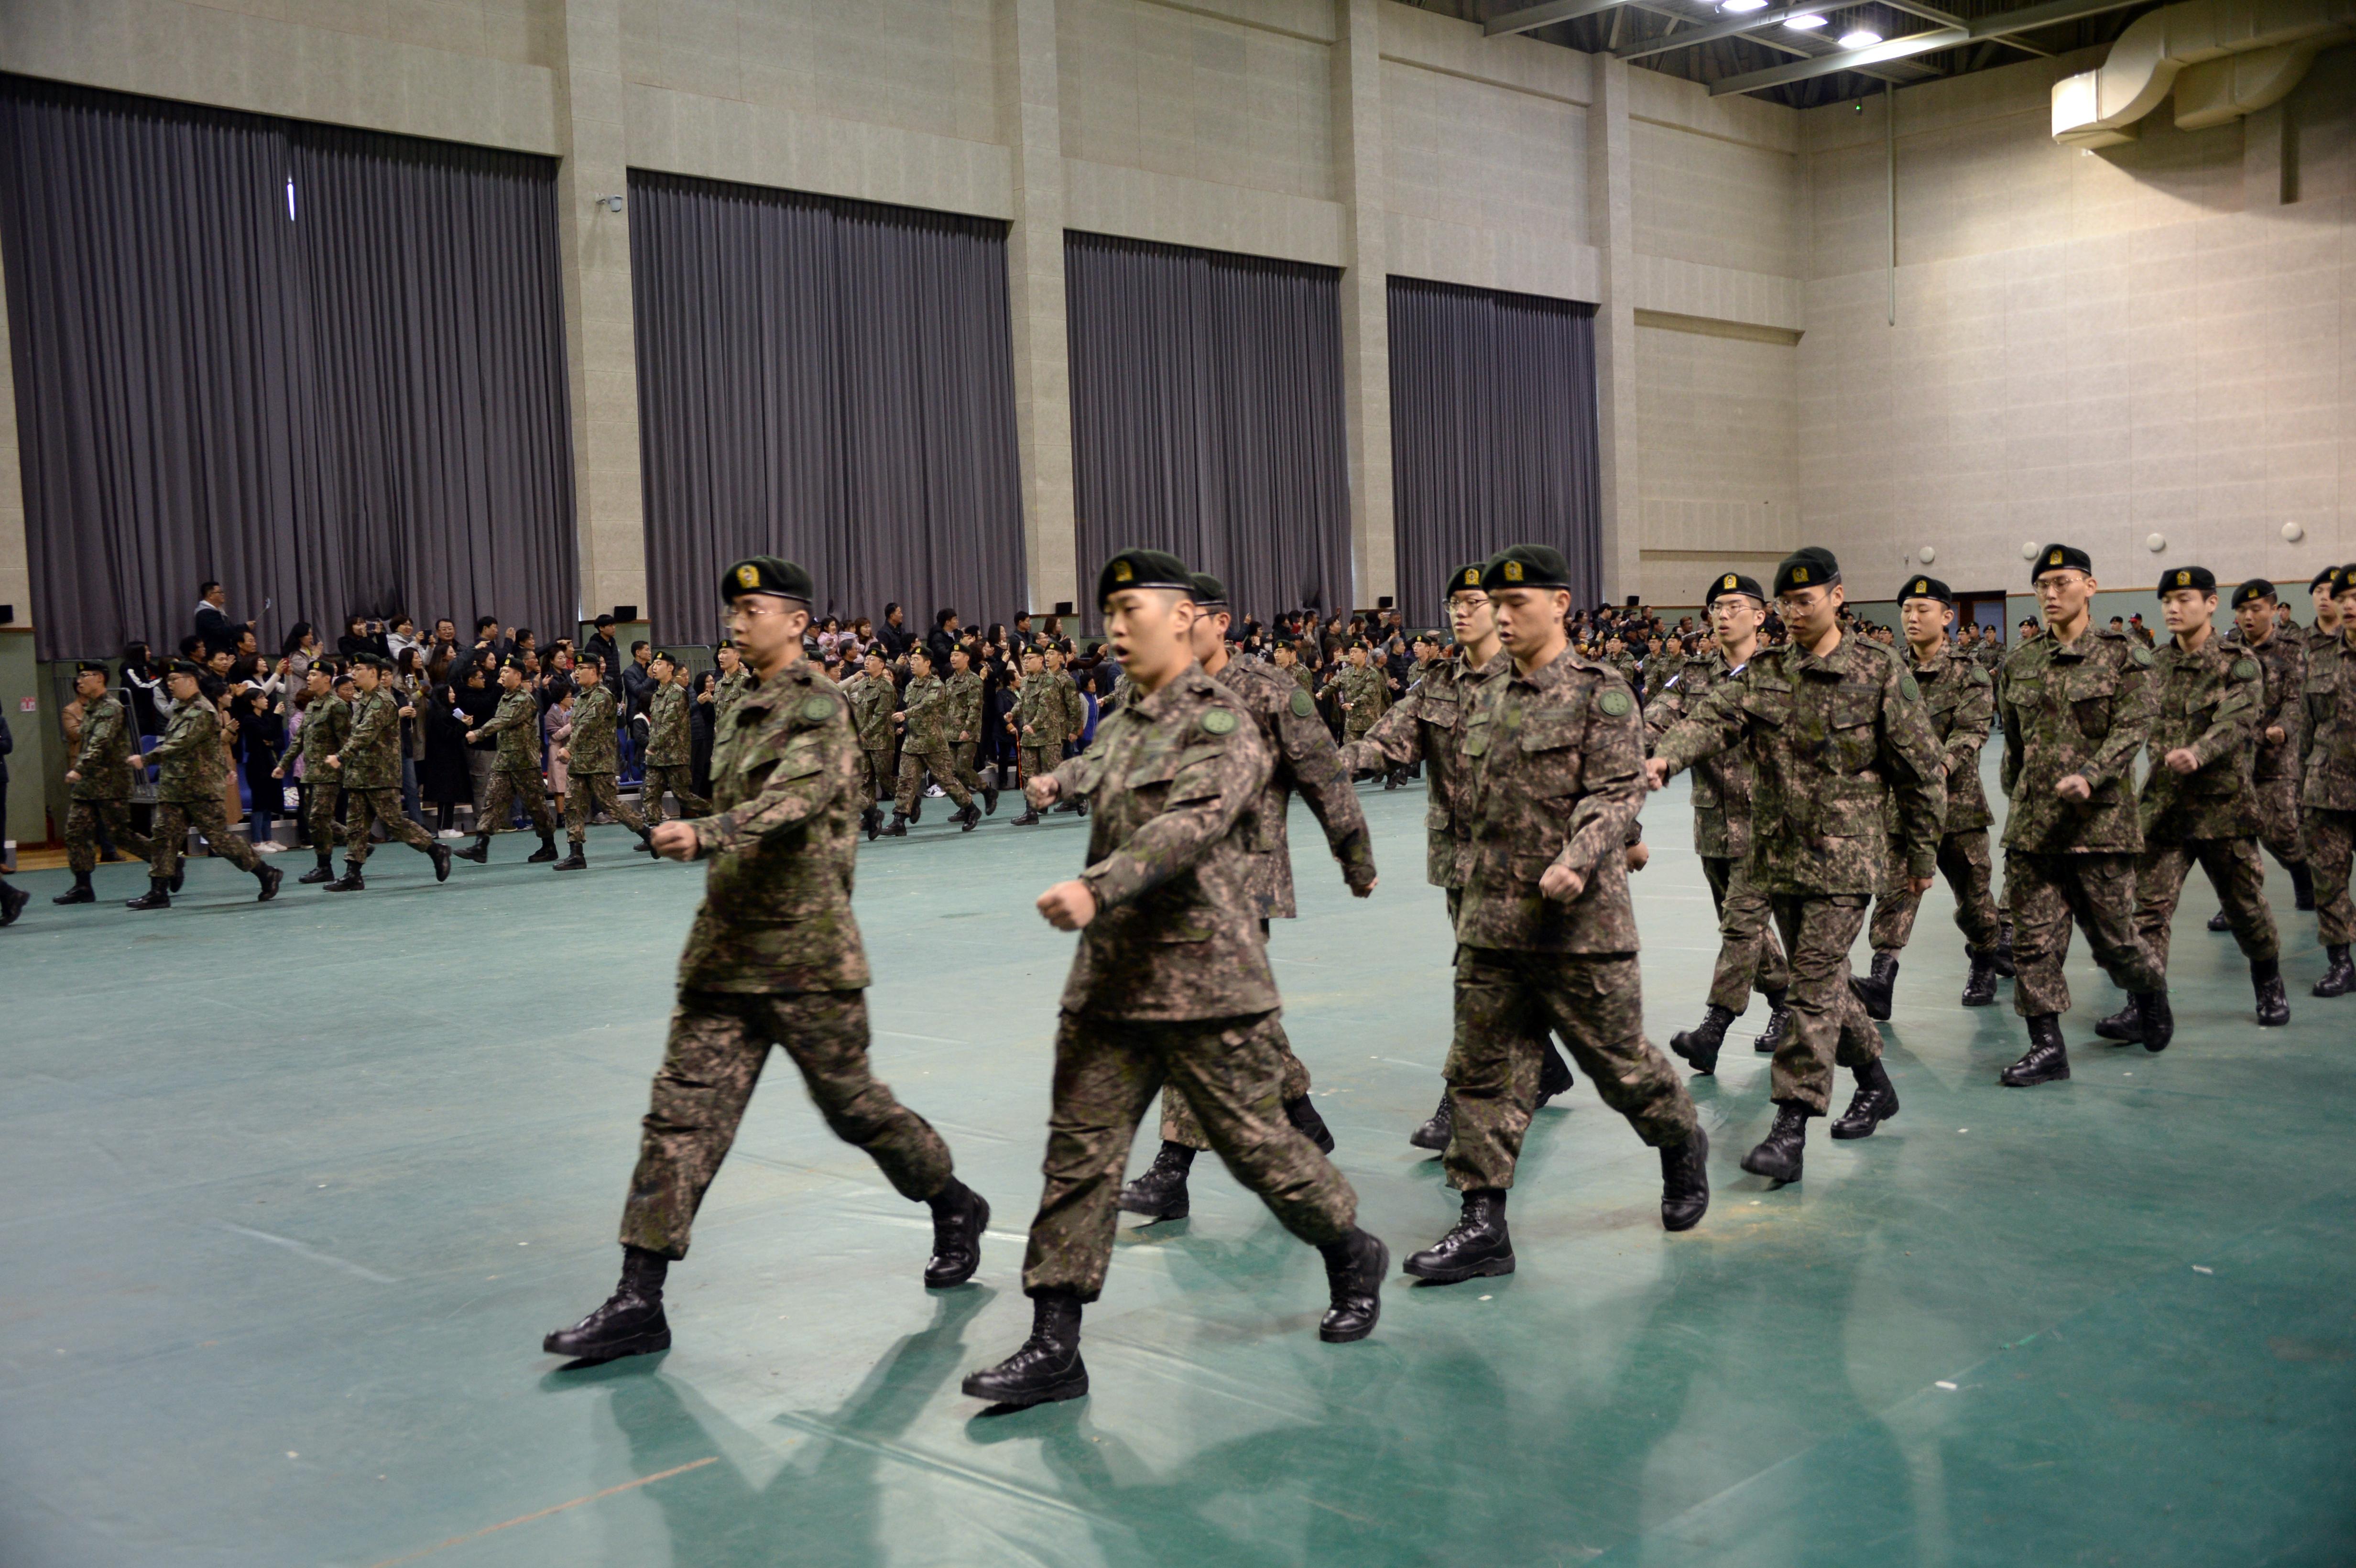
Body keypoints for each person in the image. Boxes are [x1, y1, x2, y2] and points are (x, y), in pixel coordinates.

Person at [962, 549, 1386, 1412]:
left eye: (1133, 610)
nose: (1115, 627)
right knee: (1077, 1158)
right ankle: (1053, 1342)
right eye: (1108, 613)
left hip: (1204, 982)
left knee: (1259, 1150)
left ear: (1185, 618)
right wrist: (1056, 780)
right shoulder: (1124, 716)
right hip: (1110, 980)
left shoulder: (1225, 722)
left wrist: (1096, 885)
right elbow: (1103, 769)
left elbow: (1193, 823)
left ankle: (1348, 1248)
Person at [543, 556, 989, 1365]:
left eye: (755, 609)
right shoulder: (740, 701)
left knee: (854, 1109)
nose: (737, 621)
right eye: (733, 611)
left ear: (798, 621)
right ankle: (639, 1296)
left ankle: (953, 1201)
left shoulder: (818, 703)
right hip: (726, 950)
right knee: (679, 1117)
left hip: (804, 953)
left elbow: (798, 800)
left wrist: (704, 832)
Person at [1402, 546, 1708, 1285]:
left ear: (1561, 604)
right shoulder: (1476, 693)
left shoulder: (1599, 693)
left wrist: (1579, 856)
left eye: (1517, 605)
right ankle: (1483, 1225)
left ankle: (1680, 1143)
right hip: (1491, 922)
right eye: (1494, 607)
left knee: (1621, 1068)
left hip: (1580, 928)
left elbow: (1616, 791)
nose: (1502, 618)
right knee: (1483, 1076)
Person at [1648, 546, 1944, 1179]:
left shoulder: (1878, 669)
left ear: (1839, 596)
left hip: (1846, 860)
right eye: (1786, 602)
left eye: (1805, 600)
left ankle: (1789, 1128)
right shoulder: (1767, 671)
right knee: (1829, 983)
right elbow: (1713, 718)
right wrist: (1664, 759)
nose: (1795, 612)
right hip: (1775, 856)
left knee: (1810, 987)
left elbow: (1922, 769)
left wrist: (1921, 851)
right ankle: (1874, 1081)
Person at [1116, 572, 1377, 1221]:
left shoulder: (1267, 692)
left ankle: (1172, 1170)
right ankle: (1301, 1119)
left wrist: (1355, 853)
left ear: (1220, 622)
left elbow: (1323, 775)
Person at [1337, 566, 1576, 1150]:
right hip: (1457, 861)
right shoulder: (1437, 685)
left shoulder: (1532, 680)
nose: (1460, 612)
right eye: (1453, 603)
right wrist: (1316, 761)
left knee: (1478, 979)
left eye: (1473, 601)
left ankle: (1458, 1100)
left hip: (1521, 862)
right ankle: (1544, 1066)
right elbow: (1382, 743)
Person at [1988, 544, 2170, 1086]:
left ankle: (2148, 997)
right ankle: (2047, 1046)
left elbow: (2131, 730)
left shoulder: (2124, 655)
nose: (2049, 594)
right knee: (2032, 942)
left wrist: (2089, 776)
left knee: (2115, 939)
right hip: (2033, 829)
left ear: (2089, 586)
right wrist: (2020, 793)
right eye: (2040, 585)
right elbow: (2015, 749)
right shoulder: (2018, 661)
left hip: (2101, 827)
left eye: (2061, 583)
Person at [2108, 567, 2287, 1030]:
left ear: (2210, 603)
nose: (2172, 607)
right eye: (2166, 599)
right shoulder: (2153, 663)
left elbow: (2237, 720)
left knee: (2244, 906)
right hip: (2164, 810)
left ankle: (2267, 982)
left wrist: (2198, 751)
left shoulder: (2238, 662)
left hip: (2222, 808)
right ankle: (2143, 1005)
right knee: (2147, 911)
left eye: (2183, 598)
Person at [1648, 573, 1795, 1072]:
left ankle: (1714, 1028)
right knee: (1745, 931)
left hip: (1768, 823)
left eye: (1734, 605)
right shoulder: (1690, 676)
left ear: (1760, 615)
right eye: (1715, 606)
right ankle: (1786, 1006)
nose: (1723, 614)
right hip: (1714, 823)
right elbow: (1656, 720)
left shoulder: (1781, 672)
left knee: (1741, 927)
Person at [1851, 576, 2009, 1014]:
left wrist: (1938, 766)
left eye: (1923, 609)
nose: (1913, 617)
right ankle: (1882, 981)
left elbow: (1973, 730)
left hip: (1957, 809)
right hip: (1902, 810)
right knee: (1893, 895)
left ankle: (1984, 961)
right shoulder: (1888, 670)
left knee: (1975, 900)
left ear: (1946, 616)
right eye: (1906, 610)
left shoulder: (1969, 673)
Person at [127, 661, 283, 909]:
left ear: (191, 681)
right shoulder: (180, 707)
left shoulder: (202, 711)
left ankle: (266, 873)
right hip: (175, 787)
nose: (170, 685)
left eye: (175, 680)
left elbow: (183, 744)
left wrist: (146, 759)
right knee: (164, 836)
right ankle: (158, 890)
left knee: (218, 840)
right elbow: (209, 747)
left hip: (200, 789)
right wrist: (225, 769)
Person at [2213, 580, 2312, 929]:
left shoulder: (2292, 648)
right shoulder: (2227, 649)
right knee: (2233, 835)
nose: (2248, 616)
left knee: (2281, 833)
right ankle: (2236, 905)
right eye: (2242, 610)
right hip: (2234, 755)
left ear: (2274, 609)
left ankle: (2304, 876)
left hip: (2276, 754)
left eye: (2256, 609)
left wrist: (2283, 727)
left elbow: (2296, 699)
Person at [322, 653, 452, 891]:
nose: (353, 673)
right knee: (356, 826)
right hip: (361, 774)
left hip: (380, 775)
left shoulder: (383, 701)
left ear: (373, 673)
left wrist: (340, 757)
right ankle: (353, 873)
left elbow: (365, 734)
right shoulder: (364, 700)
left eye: (358, 668)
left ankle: (436, 850)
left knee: (393, 823)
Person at [55, 662, 157, 904]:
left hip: (110, 783)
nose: (79, 681)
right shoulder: (90, 708)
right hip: (88, 785)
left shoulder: (111, 708)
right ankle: (83, 886)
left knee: (120, 835)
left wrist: (79, 769)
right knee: (76, 832)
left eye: (85, 676)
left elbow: (99, 743)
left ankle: (168, 860)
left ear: (100, 678)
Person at [2301, 568, 2356, 997]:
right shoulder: (2318, 656)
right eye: (2345, 598)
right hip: (2326, 791)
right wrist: (2300, 785)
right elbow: (2305, 727)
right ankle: (2341, 962)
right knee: (2329, 882)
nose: (2350, 605)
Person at [453, 657, 560, 865]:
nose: (502, 675)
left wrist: (479, 733)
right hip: (505, 761)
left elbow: (503, 721)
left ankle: (549, 845)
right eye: (501, 671)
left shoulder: (523, 700)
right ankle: (480, 846)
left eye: (507, 671)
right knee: (492, 801)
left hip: (524, 763)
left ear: (519, 676)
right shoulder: (506, 697)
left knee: (536, 806)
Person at [553, 658, 654, 870]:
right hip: (580, 763)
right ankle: (576, 853)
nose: (577, 672)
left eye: (582, 668)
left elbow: (587, 726)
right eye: (576, 668)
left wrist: (569, 748)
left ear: (596, 672)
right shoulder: (580, 699)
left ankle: (650, 835)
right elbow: (576, 725)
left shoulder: (602, 696)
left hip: (599, 763)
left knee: (611, 806)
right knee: (573, 806)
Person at [885, 647, 979, 835]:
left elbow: (926, 705)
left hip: (933, 743)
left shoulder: (937, 686)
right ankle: (899, 820)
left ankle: (970, 809)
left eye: (917, 659)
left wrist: (905, 714)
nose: (912, 663)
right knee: (906, 781)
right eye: (911, 659)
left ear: (928, 663)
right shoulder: (911, 686)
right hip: (912, 742)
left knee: (947, 781)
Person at [279, 665, 353, 882]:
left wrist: (345, 767)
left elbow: (347, 741)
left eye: (313, 675)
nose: (309, 678)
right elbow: (299, 739)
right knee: (317, 820)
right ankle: (357, 841)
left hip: (330, 773)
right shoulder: (312, 706)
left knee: (318, 819)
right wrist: (283, 765)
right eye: (309, 674)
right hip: (311, 773)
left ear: (327, 679)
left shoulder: (337, 706)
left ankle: (324, 867)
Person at [640, 652, 712, 829]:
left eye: (659, 663)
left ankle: (716, 815)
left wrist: (653, 745)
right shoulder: (658, 693)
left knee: (684, 796)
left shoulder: (677, 693)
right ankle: (653, 836)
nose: (654, 667)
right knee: (651, 793)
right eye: (654, 664)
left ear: (670, 668)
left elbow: (669, 723)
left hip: (674, 756)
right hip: (657, 757)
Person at [844, 649, 896, 839]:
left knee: (885, 779)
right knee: (865, 781)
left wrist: (865, 734)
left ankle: (909, 800)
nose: (867, 662)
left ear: (882, 665)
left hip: (881, 740)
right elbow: (860, 712)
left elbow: (881, 715)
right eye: (866, 659)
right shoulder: (864, 684)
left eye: (872, 660)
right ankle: (871, 816)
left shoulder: (886, 687)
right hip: (864, 740)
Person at [941, 645, 998, 816]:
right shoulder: (950, 681)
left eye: (957, 655)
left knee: (963, 768)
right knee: (953, 772)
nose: (953, 658)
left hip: (968, 732)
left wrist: (967, 728)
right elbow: (946, 707)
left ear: (966, 658)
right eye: (951, 655)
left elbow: (975, 707)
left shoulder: (974, 681)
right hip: (951, 732)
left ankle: (987, 791)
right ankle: (965, 806)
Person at [193, 579, 250, 656]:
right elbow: (222, 631)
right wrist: (245, 627)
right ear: (210, 595)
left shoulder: (219, 611)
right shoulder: (205, 613)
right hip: (215, 655)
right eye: (220, 592)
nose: (223, 594)